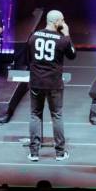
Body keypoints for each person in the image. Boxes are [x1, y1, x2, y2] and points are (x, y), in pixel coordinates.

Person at [27, 10, 76, 161]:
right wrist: (67, 34)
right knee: (57, 116)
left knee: (35, 115)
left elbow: (29, 57)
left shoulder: (33, 36)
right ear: (57, 22)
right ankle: (60, 153)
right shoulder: (62, 39)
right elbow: (72, 55)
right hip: (54, 83)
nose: (64, 23)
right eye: (62, 21)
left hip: (36, 81)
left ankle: (34, 153)